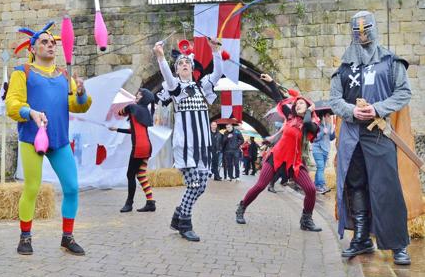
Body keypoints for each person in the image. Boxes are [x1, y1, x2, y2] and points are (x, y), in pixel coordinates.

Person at [329, 11, 412, 265]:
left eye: (366, 30)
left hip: (378, 134)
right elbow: (334, 100)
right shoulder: (343, 68)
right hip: (352, 137)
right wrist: (351, 111)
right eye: (358, 31)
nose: (363, 35)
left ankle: (397, 244)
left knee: (387, 187)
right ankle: (362, 238)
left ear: (374, 29)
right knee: (355, 186)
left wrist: (378, 108)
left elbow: (403, 93)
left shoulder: (390, 61)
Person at [6, 23, 92, 256]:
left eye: (53, 42)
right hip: (31, 139)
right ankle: (25, 237)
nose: (50, 44)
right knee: (32, 188)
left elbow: (78, 106)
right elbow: (12, 105)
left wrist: (82, 93)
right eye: (44, 41)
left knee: (72, 188)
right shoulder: (22, 72)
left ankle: (67, 237)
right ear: (33, 48)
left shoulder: (65, 75)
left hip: (59, 140)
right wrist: (30, 112)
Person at [152, 37, 223, 241]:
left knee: (202, 185)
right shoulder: (174, 88)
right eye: (180, 63)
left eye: (187, 63)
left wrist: (215, 51)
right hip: (185, 146)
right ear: (176, 70)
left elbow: (217, 73)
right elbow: (167, 74)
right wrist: (161, 58)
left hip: (203, 146)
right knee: (193, 185)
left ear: (192, 68)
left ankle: (178, 213)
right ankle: (185, 223)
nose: (184, 65)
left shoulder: (203, 87)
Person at [236, 73, 322, 232]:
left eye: (301, 104)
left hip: (294, 163)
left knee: (310, 189)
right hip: (275, 158)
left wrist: (309, 111)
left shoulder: (312, 124)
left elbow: (310, 124)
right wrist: (272, 83)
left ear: (309, 106)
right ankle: (242, 207)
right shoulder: (289, 117)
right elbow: (278, 98)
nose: (298, 105)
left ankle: (306, 220)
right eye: (297, 104)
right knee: (260, 185)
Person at [108, 88, 156, 213]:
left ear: (142, 97)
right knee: (140, 175)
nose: (136, 95)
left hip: (139, 148)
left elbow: (119, 112)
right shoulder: (146, 111)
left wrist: (128, 105)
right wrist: (117, 129)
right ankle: (150, 202)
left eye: (138, 94)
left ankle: (129, 204)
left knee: (130, 175)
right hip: (147, 147)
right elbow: (134, 130)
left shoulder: (132, 108)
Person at [312, 113, 335, 194]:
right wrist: (323, 132)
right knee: (321, 167)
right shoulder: (316, 124)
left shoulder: (329, 125)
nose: (330, 117)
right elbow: (314, 139)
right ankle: (322, 185)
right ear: (324, 116)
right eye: (328, 116)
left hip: (326, 149)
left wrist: (334, 132)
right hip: (317, 148)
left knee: (320, 168)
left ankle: (315, 185)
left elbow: (330, 138)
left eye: (329, 116)